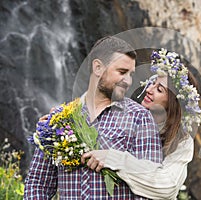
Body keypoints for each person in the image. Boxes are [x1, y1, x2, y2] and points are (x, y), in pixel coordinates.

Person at [24, 36, 163, 199]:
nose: (128, 81)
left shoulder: (140, 118)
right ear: (98, 68)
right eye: (122, 72)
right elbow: (38, 184)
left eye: (131, 74)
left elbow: (153, 182)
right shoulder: (59, 119)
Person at [81, 48, 201, 199]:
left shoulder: (181, 141)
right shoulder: (125, 113)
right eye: (152, 83)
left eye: (159, 89)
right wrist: (60, 119)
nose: (149, 89)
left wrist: (114, 159)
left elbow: (167, 186)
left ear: (174, 103)